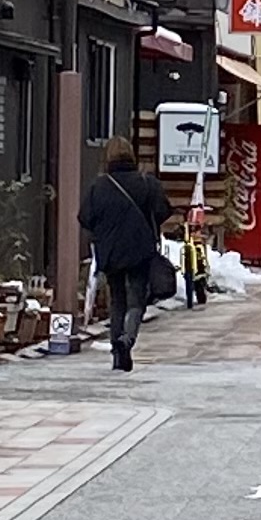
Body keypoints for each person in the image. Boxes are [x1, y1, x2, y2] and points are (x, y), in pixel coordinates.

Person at [79, 136, 172, 371]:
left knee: (117, 300)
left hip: (110, 252)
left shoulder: (99, 186)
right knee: (136, 301)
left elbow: (85, 217)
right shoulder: (146, 182)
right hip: (140, 250)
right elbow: (163, 210)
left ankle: (115, 348)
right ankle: (126, 340)